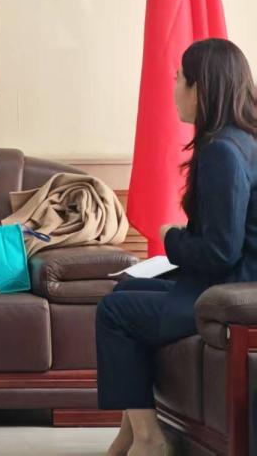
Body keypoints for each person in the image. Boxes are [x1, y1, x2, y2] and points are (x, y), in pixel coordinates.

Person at [97, 38, 257, 456]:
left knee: (114, 312)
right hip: (232, 282)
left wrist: (171, 238)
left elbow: (220, 252)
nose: (173, 87)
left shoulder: (224, 151)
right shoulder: (241, 140)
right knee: (127, 289)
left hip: (229, 292)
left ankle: (149, 439)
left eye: (177, 78)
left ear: (199, 87)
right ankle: (133, 430)